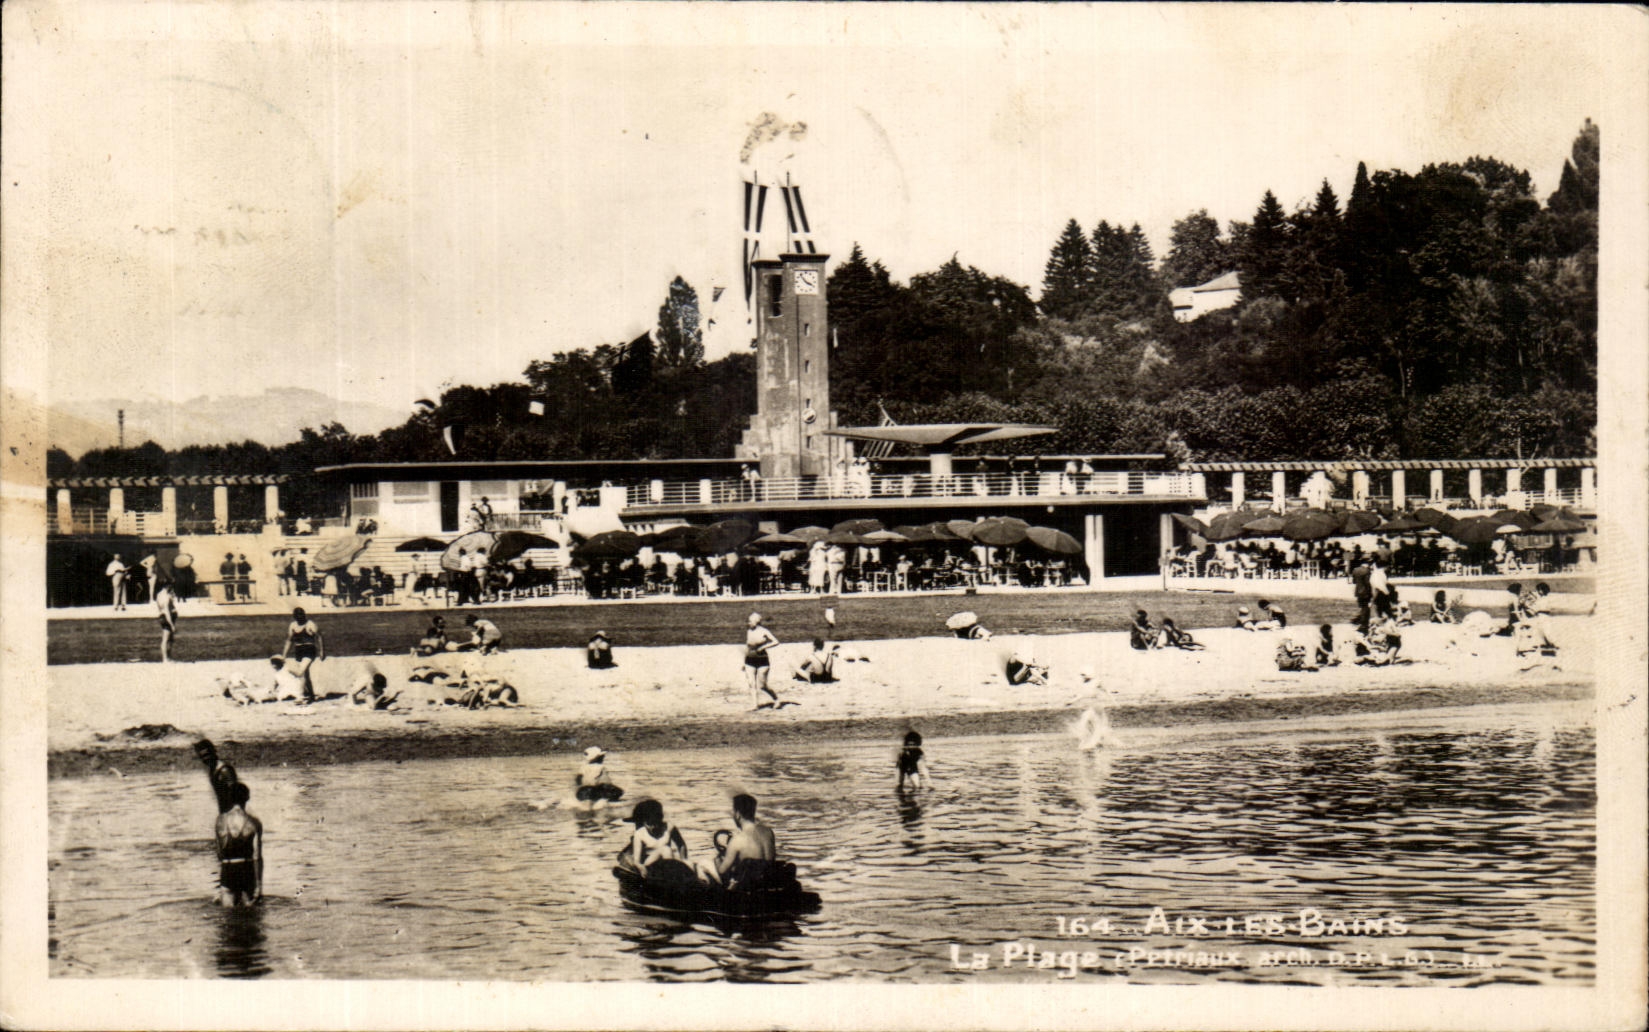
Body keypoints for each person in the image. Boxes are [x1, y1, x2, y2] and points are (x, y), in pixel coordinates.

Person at [621, 799, 695, 886]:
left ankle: (682, 882)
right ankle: (671, 880)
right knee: (665, 849)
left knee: (689, 863)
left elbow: (681, 845)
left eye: (656, 823)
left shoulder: (669, 827)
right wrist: (641, 868)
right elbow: (637, 861)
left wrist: (684, 859)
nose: (653, 827)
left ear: (660, 819)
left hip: (668, 862)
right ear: (644, 822)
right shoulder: (639, 833)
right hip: (651, 865)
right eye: (649, 824)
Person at [713, 794, 780, 889]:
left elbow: (722, 872)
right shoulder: (768, 832)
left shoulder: (737, 840)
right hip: (767, 885)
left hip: (747, 892)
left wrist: (718, 861)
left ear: (738, 814)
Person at [215, 782, 263, 907]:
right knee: (251, 916)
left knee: (227, 917)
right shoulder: (254, 823)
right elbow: (257, 856)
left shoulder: (220, 820)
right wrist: (259, 885)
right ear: (247, 797)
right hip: (246, 870)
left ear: (230, 798)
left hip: (228, 869)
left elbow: (219, 853)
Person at [281, 606, 324, 701]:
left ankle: (300, 695)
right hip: (298, 651)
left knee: (300, 672)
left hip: (309, 650)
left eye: (302, 616)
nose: (300, 618)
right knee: (305, 675)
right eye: (298, 617)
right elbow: (289, 640)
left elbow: (319, 637)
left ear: (304, 615)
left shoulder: (310, 624)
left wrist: (322, 651)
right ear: (295, 617)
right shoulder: (293, 625)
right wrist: (284, 655)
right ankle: (311, 695)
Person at [743, 612, 782, 709]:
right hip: (749, 659)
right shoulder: (749, 631)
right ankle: (754, 705)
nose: (749, 623)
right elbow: (748, 647)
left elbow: (776, 641)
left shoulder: (764, 631)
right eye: (749, 621)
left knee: (762, 685)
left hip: (762, 660)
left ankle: (776, 699)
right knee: (751, 683)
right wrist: (743, 661)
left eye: (750, 621)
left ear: (757, 622)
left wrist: (764, 646)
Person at [194, 738, 239, 813]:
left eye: (207, 755)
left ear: (214, 751)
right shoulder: (213, 770)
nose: (205, 759)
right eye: (202, 757)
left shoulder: (225, 771)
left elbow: (236, 795)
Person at [155, 582, 179, 662]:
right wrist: (171, 625)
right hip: (167, 617)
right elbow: (167, 611)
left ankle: (168, 657)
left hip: (163, 616)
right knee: (166, 639)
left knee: (170, 639)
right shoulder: (165, 597)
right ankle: (165, 658)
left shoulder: (159, 594)